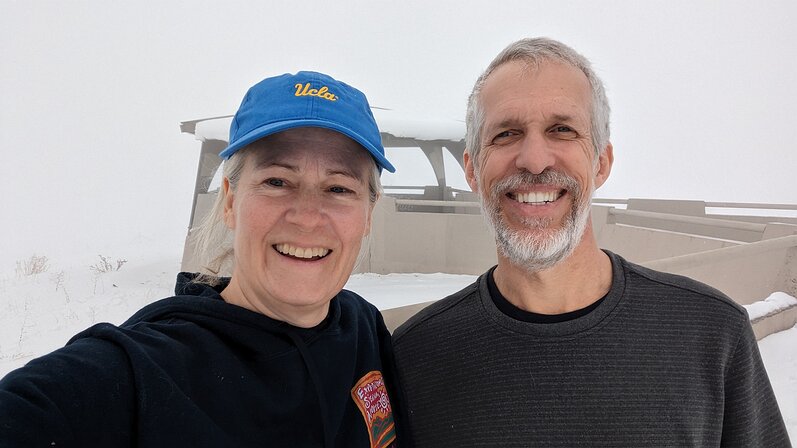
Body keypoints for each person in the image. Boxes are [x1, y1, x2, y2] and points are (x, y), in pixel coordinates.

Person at [392, 38, 790, 447]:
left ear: (601, 162)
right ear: (473, 170)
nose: (534, 159)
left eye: (561, 130)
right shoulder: (415, 356)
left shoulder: (712, 333)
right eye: (506, 133)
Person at [0, 71, 400, 448]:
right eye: (277, 181)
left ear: (368, 213)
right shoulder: (144, 370)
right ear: (229, 200)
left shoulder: (360, 327)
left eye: (338, 188)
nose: (308, 216)